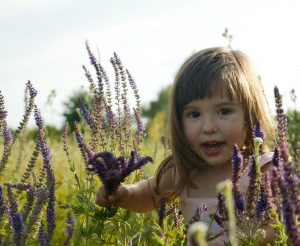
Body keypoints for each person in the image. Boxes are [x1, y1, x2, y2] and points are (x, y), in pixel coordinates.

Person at [95, 47, 276, 245]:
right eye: (194, 114)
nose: (208, 127)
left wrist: (241, 240)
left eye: (224, 111)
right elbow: (149, 194)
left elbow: (286, 223)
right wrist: (125, 194)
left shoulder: (263, 170)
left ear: (249, 116)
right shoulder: (183, 172)